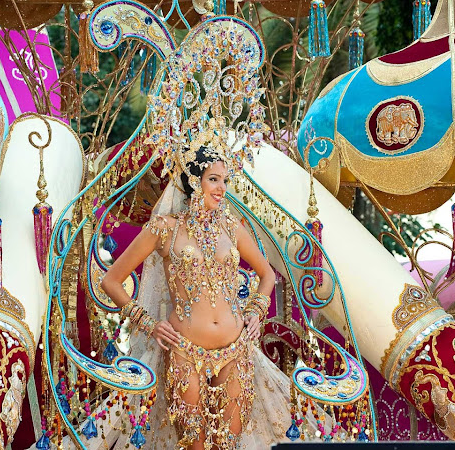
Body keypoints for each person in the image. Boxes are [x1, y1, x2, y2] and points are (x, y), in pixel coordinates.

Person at [100, 146, 310, 449]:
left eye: (225, 180)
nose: (222, 188)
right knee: (194, 443)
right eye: (214, 179)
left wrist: (256, 312)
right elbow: (112, 280)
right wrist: (148, 324)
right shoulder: (164, 228)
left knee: (229, 443)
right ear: (193, 180)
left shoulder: (231, 226)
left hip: (236, 348)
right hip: (184, 349)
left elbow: (268, 275)